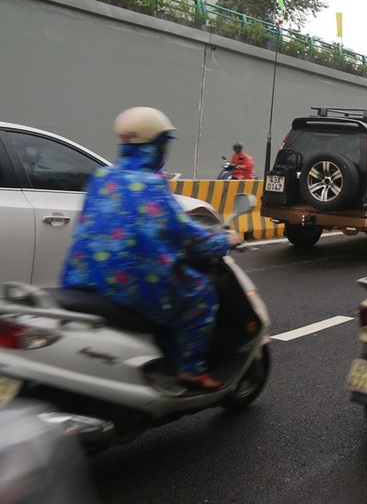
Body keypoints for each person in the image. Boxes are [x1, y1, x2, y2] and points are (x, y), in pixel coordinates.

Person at [61, 107, 243, 390]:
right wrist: (224, 240)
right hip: (132, 288)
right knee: (201, 295)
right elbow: (187, 237)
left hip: (82, 280)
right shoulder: (152, 186)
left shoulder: (100, 178)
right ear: (158, 147)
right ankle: (190, 369)